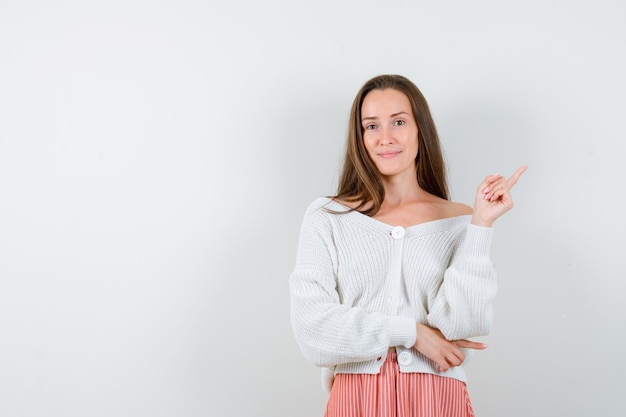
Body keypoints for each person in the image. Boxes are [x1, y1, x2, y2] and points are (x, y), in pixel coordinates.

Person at [289, 74, 526, 417]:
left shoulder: (460, 221)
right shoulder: (328, 217)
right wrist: (411, 332)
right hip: (356, 400)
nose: (385, 138)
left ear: (420, 131)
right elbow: (313, 330)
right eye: (371, 126)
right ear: (360, 137)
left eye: (398, 122)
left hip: (438, 397)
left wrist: (481, 225)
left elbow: (462, 326)